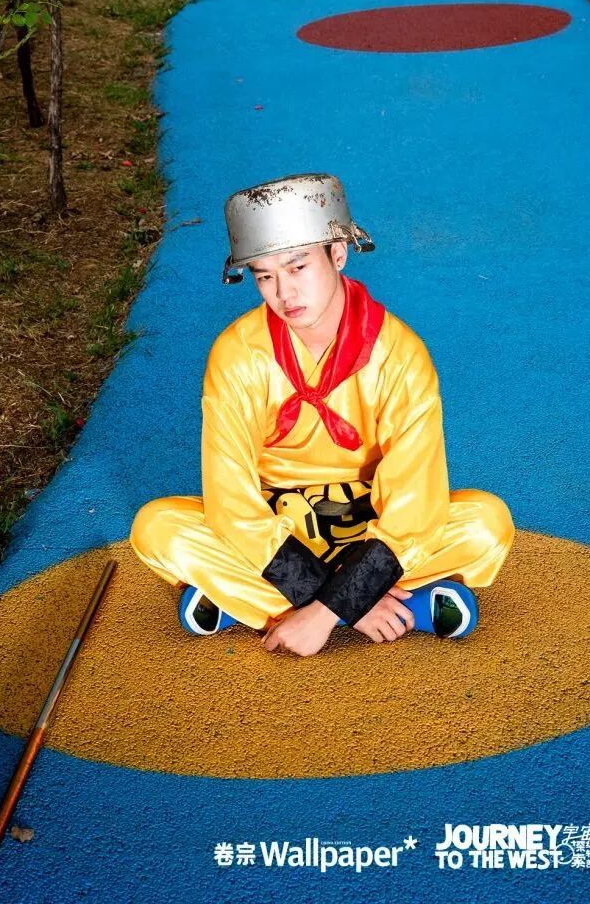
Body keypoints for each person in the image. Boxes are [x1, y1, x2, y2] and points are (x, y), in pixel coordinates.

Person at [130, 173, 514, 658]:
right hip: (276, 524)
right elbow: (233, 505)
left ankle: (251, 604)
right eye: (264, 276)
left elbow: (414, 507)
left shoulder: (400, 354)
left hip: (368, 520)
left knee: (486, 522)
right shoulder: (237, 354)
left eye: (297, 267)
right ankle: (401, 606)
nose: (283, 293)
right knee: (156, 527)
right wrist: (351, 601)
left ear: (338, 253)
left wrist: (326, 611)